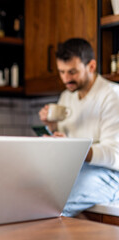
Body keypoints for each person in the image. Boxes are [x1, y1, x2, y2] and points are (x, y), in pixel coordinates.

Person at [39, 38, 119, 217]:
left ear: (91, 66)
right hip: (74, 171)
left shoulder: (112, 96)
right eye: (62, 72)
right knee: (33, 196)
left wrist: (73, 147)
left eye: (72, 72)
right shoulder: (67, 96)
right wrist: (52, 128)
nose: (66, 79)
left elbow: (114, 154)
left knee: (55, 207)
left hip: (111, 174)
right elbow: (65, 143)